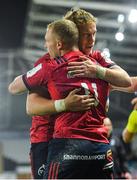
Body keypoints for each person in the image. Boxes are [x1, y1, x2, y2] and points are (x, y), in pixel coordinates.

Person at [8, 16, 131, 179]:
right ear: (75, 35)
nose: (92, 40)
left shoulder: (53, 65)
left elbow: (14, 88)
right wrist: (66, 102)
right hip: (95, 146)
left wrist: (97, 72)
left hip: (67, 143)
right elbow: (32, 106)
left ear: (59, 42)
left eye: (94, 34)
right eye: (87, 35)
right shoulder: (96, 63)